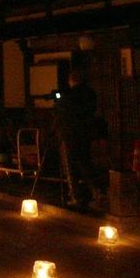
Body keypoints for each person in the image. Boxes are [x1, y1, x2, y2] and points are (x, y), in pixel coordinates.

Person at [54, 70, 104, 208]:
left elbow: (61, 111)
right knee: (85, 162)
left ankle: (76, 195)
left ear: (71, 80)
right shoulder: (90, 94)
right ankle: (97, 192)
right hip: (85, 134)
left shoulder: (68, 95)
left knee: (70, 167)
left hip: (69, 134)